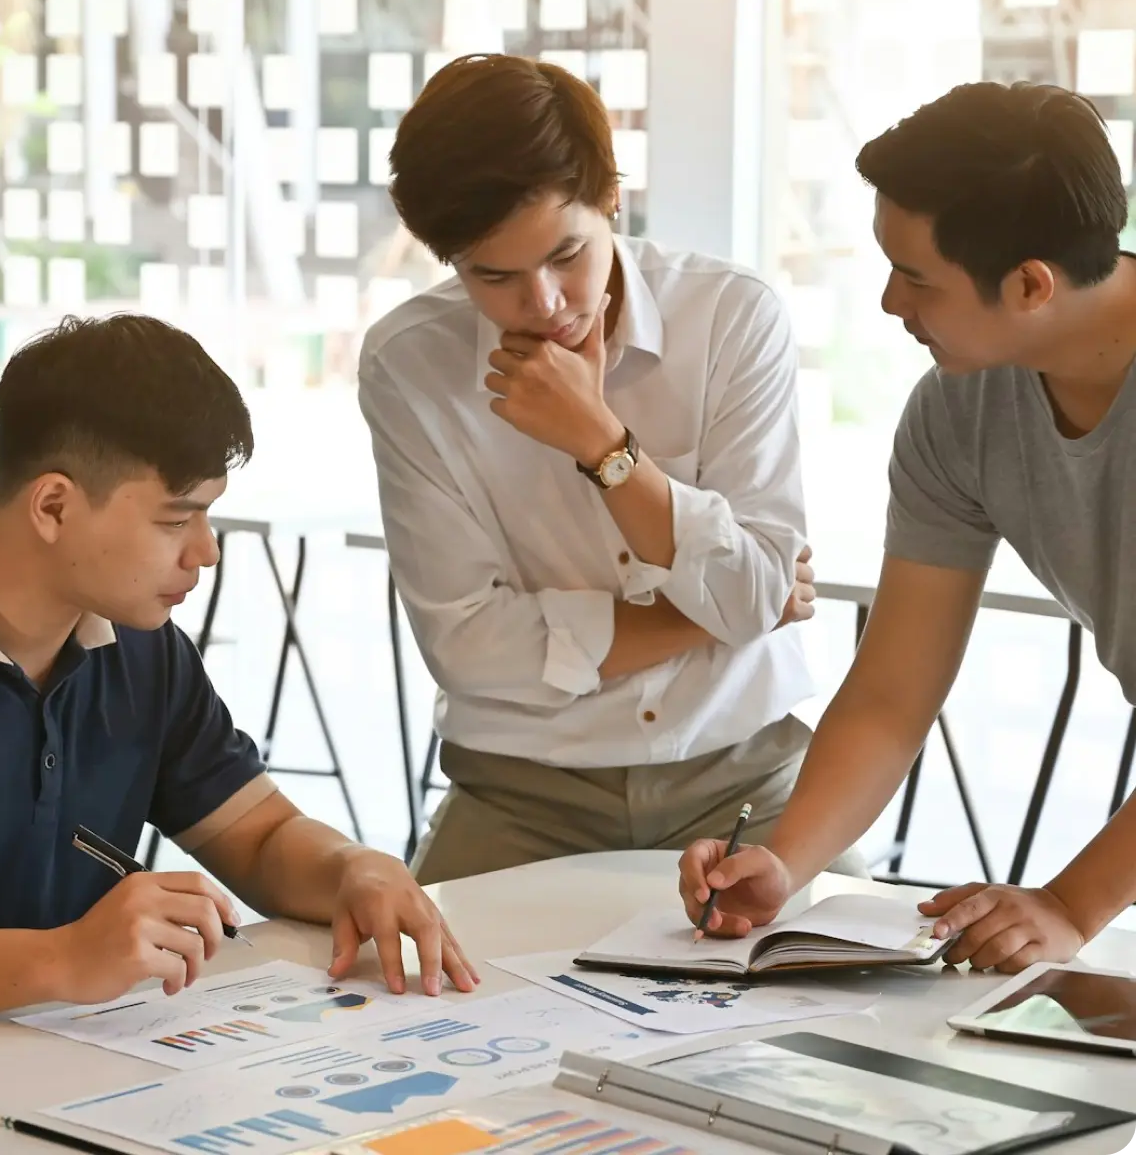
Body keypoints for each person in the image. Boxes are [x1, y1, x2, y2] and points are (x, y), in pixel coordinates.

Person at [359, 52, 864, 884]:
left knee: (881, 990)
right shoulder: (410, 365)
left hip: (746, 777)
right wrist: (714, 617)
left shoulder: (733, 319)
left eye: (566, 254)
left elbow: (757, 593)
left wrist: (601, 444)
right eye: (495, 276)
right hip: (520, 795)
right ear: (448, 259)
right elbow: (470, 647)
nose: (545, 303)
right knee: (404, 995)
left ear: (612, 200)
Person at [678, 80, 1136, 974]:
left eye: (917, 277)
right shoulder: (957, 415)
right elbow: (893, 690)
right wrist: (786, 863)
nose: (892, 302)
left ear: (1031, 283)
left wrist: (1072, 907)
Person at [0, 314, 476, 1020]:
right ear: (54, 505)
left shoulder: (143, 649)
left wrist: (353, 867)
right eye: (174, 520)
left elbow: (258, 836)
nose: (206, 551)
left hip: (69, 1069)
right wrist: (65, 958)